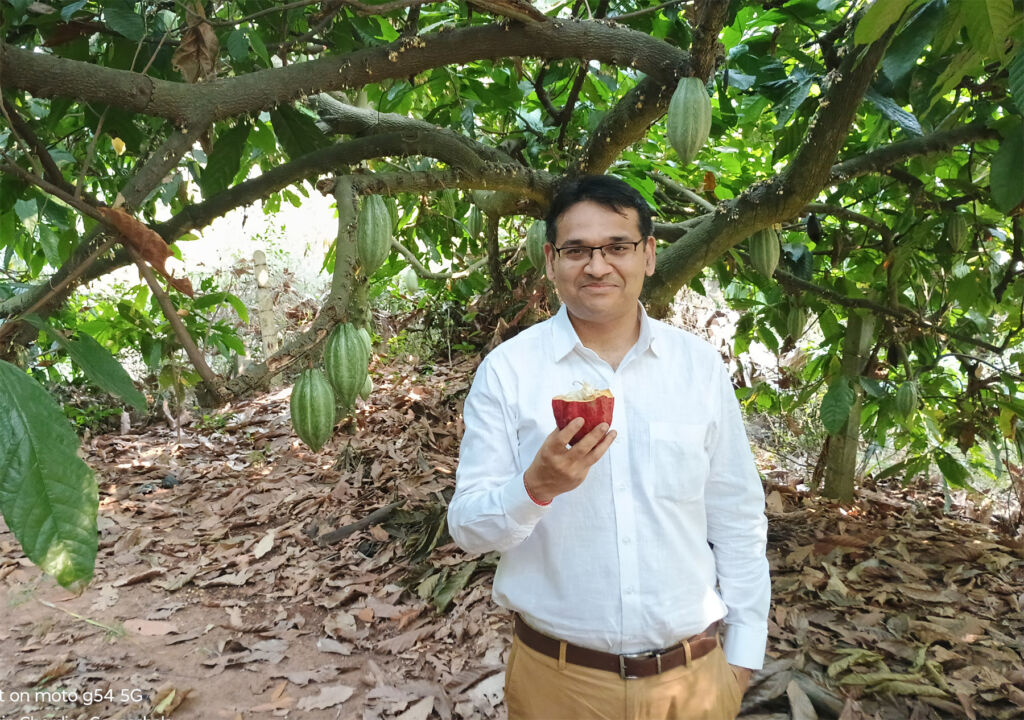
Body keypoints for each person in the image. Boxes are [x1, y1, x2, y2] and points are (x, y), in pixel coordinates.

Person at [447, 175, 770, 720]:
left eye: (616, 247)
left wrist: (741, 659)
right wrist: (535, 488)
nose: (597, 266)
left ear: (647, 254)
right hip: (558, 683)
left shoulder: (697, 369)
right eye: (577, 250)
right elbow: (469, 530)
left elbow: (737, 515)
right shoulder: (509, 372)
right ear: (550, 261)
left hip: (693, 682)